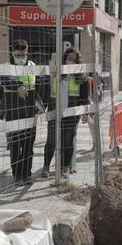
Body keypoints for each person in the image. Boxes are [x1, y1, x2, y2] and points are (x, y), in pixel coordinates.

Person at [41, 48, 89, 178]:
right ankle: (46, 167)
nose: (70, 61)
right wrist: (41, 109)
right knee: (51, 140)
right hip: (54, 111)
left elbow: (85, 97)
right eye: (69, 58)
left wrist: (86, 112)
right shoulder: (56, 73)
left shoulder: (82, 77)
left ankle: (65, 168)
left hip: (72, 113)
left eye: (73, 59)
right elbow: (47, 92)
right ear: (64, 59)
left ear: (77, 61)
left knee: (68, 141)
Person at [0, 39, 40, 186]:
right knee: (16, 146)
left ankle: (27, 174)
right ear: (12, 53)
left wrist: (40, 106)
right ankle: (17, 176)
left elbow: (38, 86)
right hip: (13, 112)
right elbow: (4, 81)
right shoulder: (6, 66)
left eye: (24, 55)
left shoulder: (32, 66)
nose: (22, 58)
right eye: (18, 55)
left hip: (29, 113)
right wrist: (19, 85)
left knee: (28, 146)